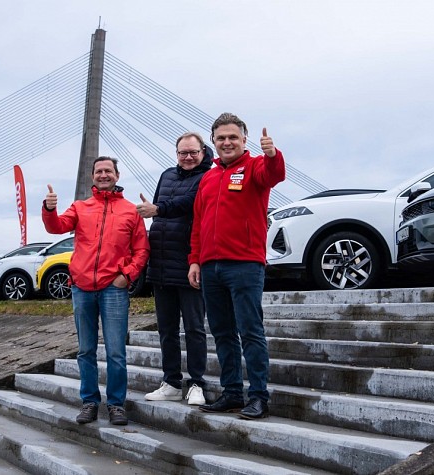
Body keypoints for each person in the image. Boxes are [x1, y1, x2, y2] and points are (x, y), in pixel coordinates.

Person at [188, 113, 286, 420]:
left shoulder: (255, 166)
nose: (227, 142)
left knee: (250, 331)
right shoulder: (208, 177)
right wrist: (194, 260)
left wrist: (273, 155)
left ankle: (258, 397)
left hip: (244, 265)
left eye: (233, 137)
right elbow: (199, 223)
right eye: (221, 138)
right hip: (211, 267)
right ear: (213, 142)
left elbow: (274, 175)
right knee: (222, 333)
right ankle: (231, 393)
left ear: (244, 140)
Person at [42, 156, 149, 426]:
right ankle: (89, 402)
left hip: (114, 289)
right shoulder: (80, 207)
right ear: (92, 176)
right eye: (99, 171)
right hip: (82, 289)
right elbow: (56, 227)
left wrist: (127, 276)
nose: (103, 175)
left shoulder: (131, 211)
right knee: (85, 351)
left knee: (116, 352)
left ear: (117, 175)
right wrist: (49, 209)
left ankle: (116, 404)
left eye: (108, 171)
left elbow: (142, 250)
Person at [136, 132, 213, 406]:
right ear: (176, 153)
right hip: (161, 263)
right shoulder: (167, 175)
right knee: (166, 330)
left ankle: (197, 383)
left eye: (193, 152)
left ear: (203, 152)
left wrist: (157, 209)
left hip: (189, 262)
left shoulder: (208, 177)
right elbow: (160, 209)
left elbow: (187, 204)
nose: (188, 157)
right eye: (183, 153)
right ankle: (170, 382)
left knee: (194, 328)